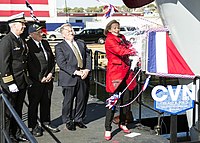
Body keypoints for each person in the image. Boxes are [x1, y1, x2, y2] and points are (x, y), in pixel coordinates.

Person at [103, 19, 137, 140]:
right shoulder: (109, 40)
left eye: (118, 27)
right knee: (112, 103)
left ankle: (123, 123)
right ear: (109, 29)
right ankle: (108, 128)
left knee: (126, 101)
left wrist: (134, 46)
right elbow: (120, 51)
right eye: (114, 28)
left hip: (126, 75)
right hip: (115, 75)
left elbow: (128, 45)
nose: (117, 30)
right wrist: (133, 51)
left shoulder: (122, 37)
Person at [0, 12, 30, 142]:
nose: (23, 26)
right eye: (21, 24)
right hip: (11, 83)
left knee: (18, 109)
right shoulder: (6, 41)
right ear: (13, 25)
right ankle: (6, 136)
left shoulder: (20, 39)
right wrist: (9, 82)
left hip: (21, 81)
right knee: (7, 113)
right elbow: (4, 64)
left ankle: (16, 133)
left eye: (23, 24)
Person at [55, 23, 91, 131]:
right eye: (68, 31)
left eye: (71, 30)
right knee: (68, 101)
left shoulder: (81, 43)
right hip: (69, 77)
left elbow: (88, 56)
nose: (71, 32)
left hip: (83, 76)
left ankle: (79, 119)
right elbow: (62, 63)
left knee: (82, 99)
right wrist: (76, 72)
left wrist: (87, 69)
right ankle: (68, 120)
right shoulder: (59, 47)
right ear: (63, 34)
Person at [26, 23, 60, 137]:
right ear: (31, 34)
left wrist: (51, 73)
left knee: (46, 101)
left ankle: (46, 122)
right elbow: (29, 64)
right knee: (34, 104)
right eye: (39, 32)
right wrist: (40, 77)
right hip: (36, 81)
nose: (42, 34)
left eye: (42, 31)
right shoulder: (28, 45)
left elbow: (51, 59)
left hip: (48, 79)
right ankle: (33, 125)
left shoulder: (45, 43)